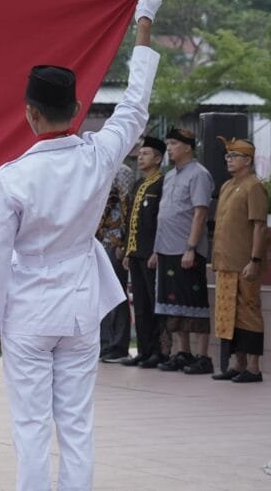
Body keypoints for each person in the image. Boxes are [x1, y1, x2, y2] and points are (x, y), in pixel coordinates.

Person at [0, 0, 162, 491]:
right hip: (79, 309)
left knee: (31, 428)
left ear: (30, 114)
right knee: (76, 425)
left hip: (29, 313)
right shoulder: (98, 157)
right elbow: (136, 107)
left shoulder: (11, 178)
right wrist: (143, 27)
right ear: (76, 107)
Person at [153, 127, 215, 375]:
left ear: (188, 147)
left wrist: (191, 247)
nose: (169, 148)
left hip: (186, 249)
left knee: (194, 302)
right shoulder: (169, 176)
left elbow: (200, 213)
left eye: (174, 144)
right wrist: (156, 249)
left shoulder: (199, 174)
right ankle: (184, 352)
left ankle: (203, 356)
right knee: (172, 303)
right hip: (166, 248)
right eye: (168, 143)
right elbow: (164, 214)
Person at [210, 138, 268, 383]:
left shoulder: (254, 186)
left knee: (249, 312)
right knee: (228, 315)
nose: (229, 160)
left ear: (248, 160)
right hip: (225, 263)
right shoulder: (226, 186)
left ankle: (254, 368)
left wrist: (255, 260)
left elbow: (260, 227)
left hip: (244, 263)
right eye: (227, 157)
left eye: (234, 156)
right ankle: (238, 363)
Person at [121, 136, 169, 368]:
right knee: (139, 305)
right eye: (140, 154)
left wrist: (158, 250)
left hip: (152, 253)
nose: (140, 157)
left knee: (153, 304)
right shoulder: (138, 184)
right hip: (136, 252)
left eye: (146, 153)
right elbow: (132, 219)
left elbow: (161, 222)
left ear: (158, 158)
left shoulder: (162, 184)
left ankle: (159, 352)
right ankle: (143, 350)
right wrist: (128, 250)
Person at [98, 164, 133, 363]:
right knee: (99, 294)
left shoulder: (122, 170)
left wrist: (123, 242)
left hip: (114, 241)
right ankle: (104, 344)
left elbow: (126, 207)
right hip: (98, 241)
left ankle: (118, 346)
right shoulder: (98, 168)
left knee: (116, 293)